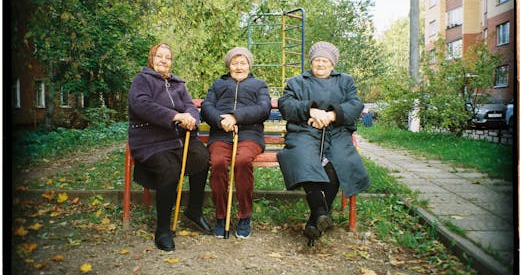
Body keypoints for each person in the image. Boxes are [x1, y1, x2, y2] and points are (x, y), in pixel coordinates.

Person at [277, 41, 370, 241]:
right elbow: (286, 104)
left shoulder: (345, 81)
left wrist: (332, 116)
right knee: (302, 158)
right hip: (304, 131)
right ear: (311, 62)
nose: (320, 64)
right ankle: (320, 213)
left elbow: (355, 104)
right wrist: (310, 110)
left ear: (333, 64)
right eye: (317, 60)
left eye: (325, 60)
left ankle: (315, 220)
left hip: (336, 133)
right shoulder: (297, 81)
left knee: (338, 164)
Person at [128, 43, 211, 251]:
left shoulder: (178, 84)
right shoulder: (142, 80)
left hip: (179, 140)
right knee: (169, 168)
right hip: (151, 141)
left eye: (168, 57)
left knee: (202, 156)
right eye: (159, 56)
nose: (164, 60)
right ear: (151, 59)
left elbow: (190, 106)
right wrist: (174, 116)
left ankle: (194, 210)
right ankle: (163, 229)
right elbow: (142, 105)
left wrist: (191, 117)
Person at [201, 47, 271, 239]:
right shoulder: (218, 84)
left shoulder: (259, 85)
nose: (239, 66)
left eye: (243, 62)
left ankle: (244, 215)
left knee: (242, 161)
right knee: (217, 163)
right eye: (234, 62)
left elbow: (264, 109)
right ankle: (221, 216)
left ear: (249, 64)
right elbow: (206, 107)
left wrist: (235, 117)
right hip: (221, 135)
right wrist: (220, 120)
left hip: (249, 135)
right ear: (228, 65)